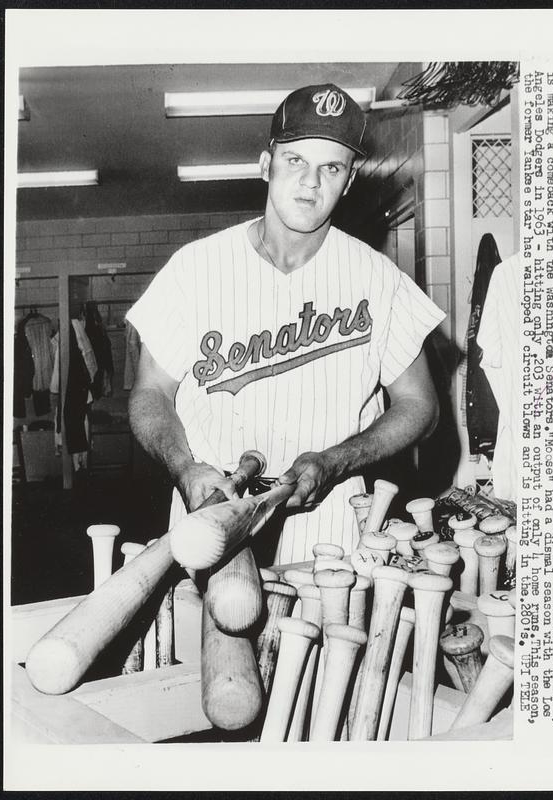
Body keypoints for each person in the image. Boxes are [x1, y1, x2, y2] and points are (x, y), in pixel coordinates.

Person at [127, 83, 445, 565]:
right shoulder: (193, 270)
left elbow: (421, 405)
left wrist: (336, 461)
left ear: (350, 179)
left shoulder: (380, 279)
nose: (311, 182)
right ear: (265, 165)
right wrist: (185, 468)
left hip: (334, 528)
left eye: (331, 167)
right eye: (295, 160)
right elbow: (151, 393)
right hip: (210, 519)